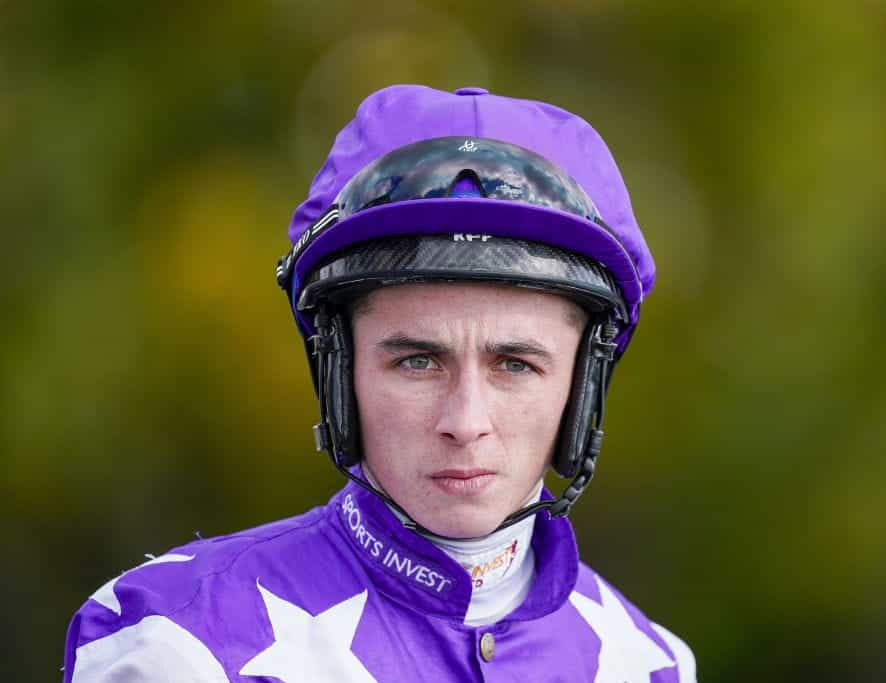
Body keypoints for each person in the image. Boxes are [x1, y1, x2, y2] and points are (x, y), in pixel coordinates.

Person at [63, 84, 698, 682]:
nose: (467, 421)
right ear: (340, 372)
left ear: (581, 384)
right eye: (418, 361)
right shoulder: (176, 642)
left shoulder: (651, 665)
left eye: (516, 365)